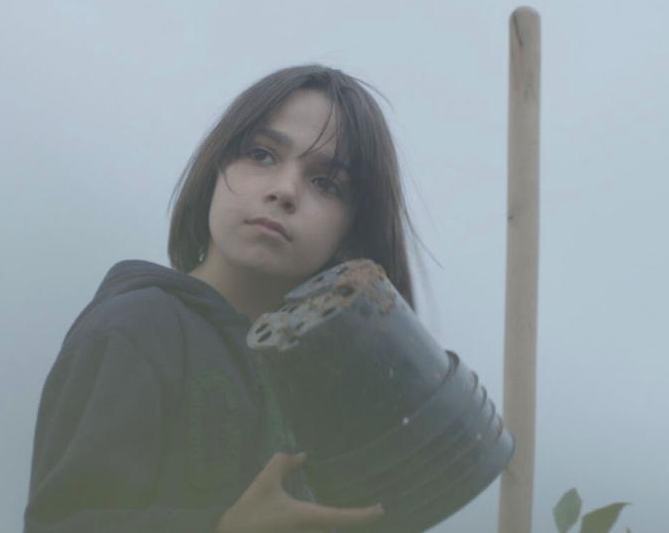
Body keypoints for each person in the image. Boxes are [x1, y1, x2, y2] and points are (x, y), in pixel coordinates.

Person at [23, 64, 424, 533]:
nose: (284, 190)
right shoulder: (135, 328)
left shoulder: (336, 381)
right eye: (261, 154)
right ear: (218, 166)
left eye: (325, 183)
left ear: (350, 229)